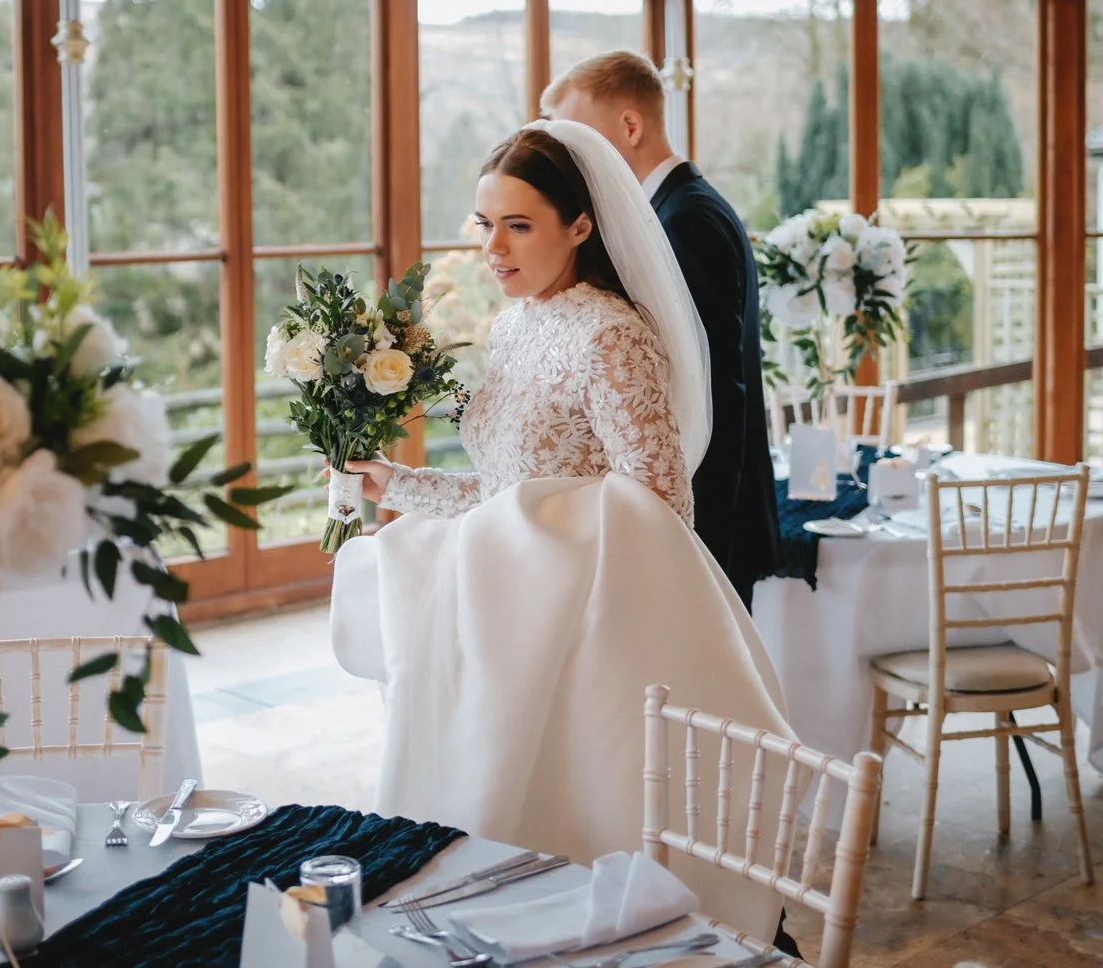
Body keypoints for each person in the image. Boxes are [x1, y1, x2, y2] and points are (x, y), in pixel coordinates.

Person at [328, 122, 792, 940]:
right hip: (504, 621)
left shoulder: (611, 334)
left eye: (518, 225)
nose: (494, 248)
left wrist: (526, 536)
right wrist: (397, 482)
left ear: (580, 225)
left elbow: (657, 501)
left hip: (581, 639)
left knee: (566, 833)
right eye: (484, 223)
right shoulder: (514, 325)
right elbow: (510, 488)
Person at [543, 52, 778, 609]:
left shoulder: (684, 221)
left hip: (711, 516)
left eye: (579, 138)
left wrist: (697, 536)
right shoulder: (675, 213)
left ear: (630, 125)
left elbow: (714, 385)